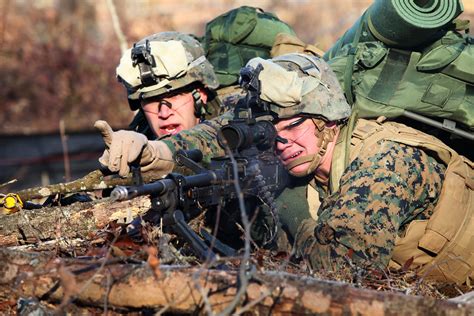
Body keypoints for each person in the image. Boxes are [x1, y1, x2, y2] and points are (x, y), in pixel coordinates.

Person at [95, 53, 473, 284]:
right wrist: (156, 153)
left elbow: (343, 275)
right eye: (269, 133)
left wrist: (291, 210)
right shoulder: (307, 154)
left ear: (329, 121)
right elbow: (218, 132)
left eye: (293, 128)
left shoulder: (383, 161)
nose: (281, 142)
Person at [116, 31, 226, 139]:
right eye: (152, 99)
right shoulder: (139, 143)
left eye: (175, 95)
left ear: (201, 95)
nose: (164, 113)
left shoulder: (232, 125)